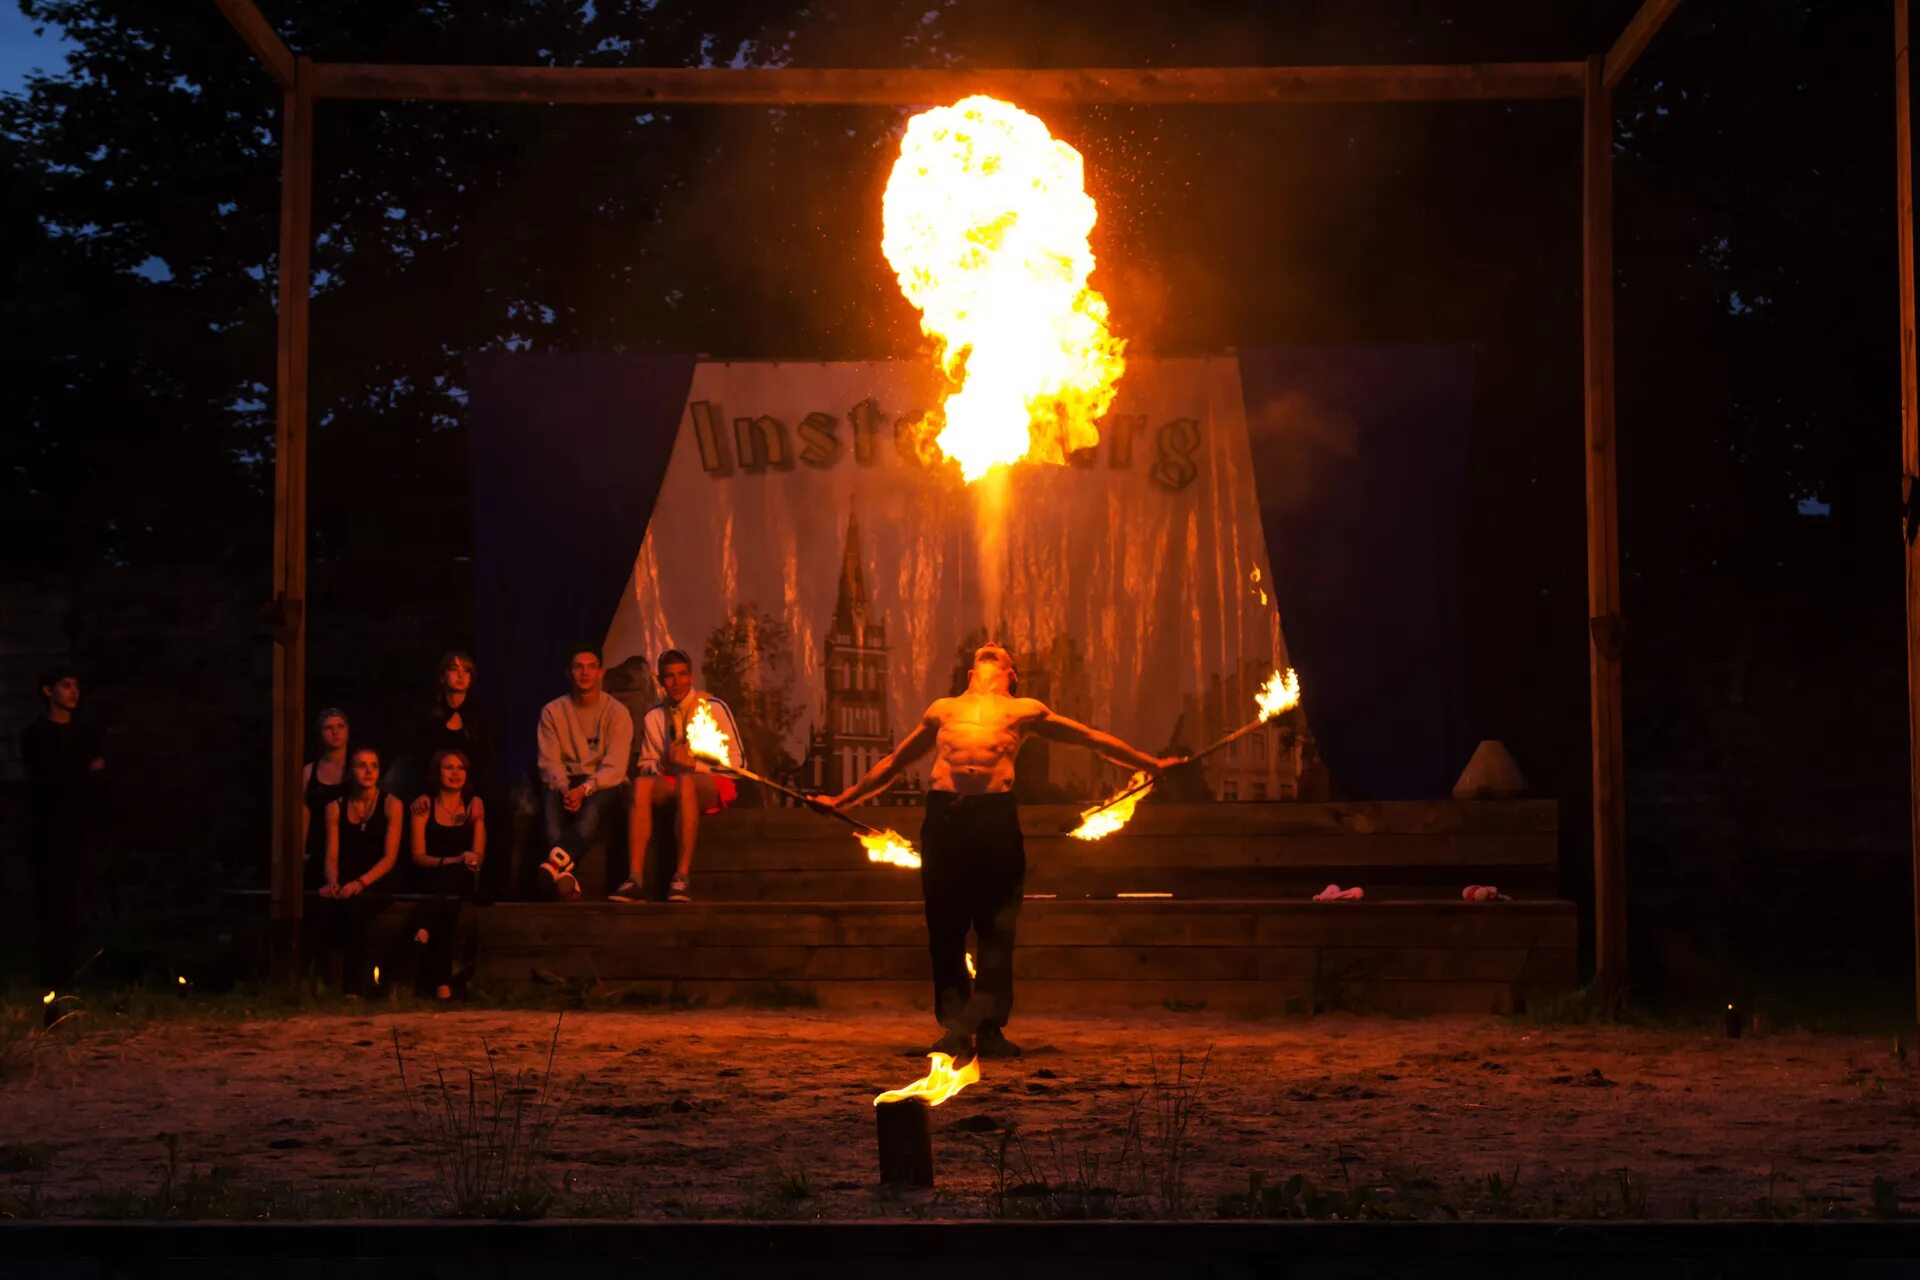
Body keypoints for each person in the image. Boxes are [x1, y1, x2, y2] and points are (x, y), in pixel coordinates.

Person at [826, 643, 1179, 1060]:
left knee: (996, 930)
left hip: (995, 819)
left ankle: (990, 1029)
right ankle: (956, 1029)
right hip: (945, 820)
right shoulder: (942, 709)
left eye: (1001, 651)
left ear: (1012, 675)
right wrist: (842, 800)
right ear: (969, 671)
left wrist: (1151, 765)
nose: (992, 646)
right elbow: (894, 764)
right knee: (945, 929)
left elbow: (1091, 739)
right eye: (986, 649)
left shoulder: (1025, 709)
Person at [612, 648, 741, 904]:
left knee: (686, 781)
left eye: (682, 674)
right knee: (640, 786)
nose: (676, 682)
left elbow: (738, 763)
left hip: (713, 781)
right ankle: (634, 878)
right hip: (675, 781)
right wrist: (662, 762)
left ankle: (681, 877)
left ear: (691, 677)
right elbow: (646, 764)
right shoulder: (654, 716)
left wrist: (695, 765)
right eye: (669, 676)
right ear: (661, 680)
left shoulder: (713, 708)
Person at [20, 667, 104, 999]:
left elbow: (94, 776)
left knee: (74, 899)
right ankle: (50, 974)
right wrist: (78, 774)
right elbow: (44, 778)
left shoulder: (85, 733)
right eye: (65, 685)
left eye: (76, 686)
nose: (73, 692)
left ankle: (72, 973)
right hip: (47, 826)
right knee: (49, 899)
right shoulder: (35, 734)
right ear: (47, 690)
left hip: (78, 825)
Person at [535, 644, 633, 888]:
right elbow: (549, 761)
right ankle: (566, 878)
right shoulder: (552, 711)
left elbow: (615, 767)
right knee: (551, 808)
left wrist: (585, 790)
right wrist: (566, 789)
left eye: (591, 667)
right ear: (569, 672)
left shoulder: (617, 712)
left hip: (603, 784)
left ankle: (554, 866)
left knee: (592, 811)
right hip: (566, 782)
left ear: (601, 672)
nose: (585, 673)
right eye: (579, 667)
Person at [408, 652, 500, 896]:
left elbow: (488, 761)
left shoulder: (481, 715)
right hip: (435, 788)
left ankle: (488, 890)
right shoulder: (429, 715)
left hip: (473, 788)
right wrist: (424, 793)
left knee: (498, 811)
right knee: (417, 809)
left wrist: (479, 795)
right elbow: (419, 759)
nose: (460, 676)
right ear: (442, 676)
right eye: (454, 669)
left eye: (466, 671)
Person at [316, 746, 403, 993]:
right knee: (326, 905)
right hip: (347, 875)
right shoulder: (335, 807)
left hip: (378, 877)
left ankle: (355, 987)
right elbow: (331, 853)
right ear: (349, 772)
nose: (368, 771)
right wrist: (332, 881)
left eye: (373, 766)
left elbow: (390, 857)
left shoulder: (391, 804)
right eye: (361, 765)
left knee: (356, 908)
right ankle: (320, 982)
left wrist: (360, 883)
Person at [407, 748, 485, 999]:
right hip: (432, 876)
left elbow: (477, 854)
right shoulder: (424, 805)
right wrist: (452, 860)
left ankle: (424, 927)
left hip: (462, 878)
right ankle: (443, 985)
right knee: (448, 904)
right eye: (448, 767)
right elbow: (418, 856)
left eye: (460, 768)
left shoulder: (473, 805)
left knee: (452, 886)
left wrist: (468, 861)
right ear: (437, 772)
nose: (455, 773)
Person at [302, 709, 351, 889]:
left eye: (340, 726)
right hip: (318, 849)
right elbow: (303, 818)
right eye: (328, 727)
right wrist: (301, 854)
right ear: (320, 733)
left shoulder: (358, 769)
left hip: (350, 848)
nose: (335, 732)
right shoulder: (309, 772)